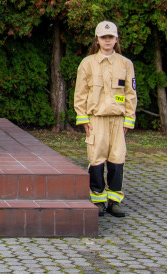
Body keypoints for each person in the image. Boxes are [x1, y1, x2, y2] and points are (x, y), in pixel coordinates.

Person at [73, 20, 136, 217]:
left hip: (117, 120)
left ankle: (114, 201)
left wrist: (128, 119)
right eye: (103, 37)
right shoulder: (88, 63)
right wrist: (83, 120)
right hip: (96, 120)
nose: (107, 41)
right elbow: (80, 93)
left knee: (117, 160)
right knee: (96, 159)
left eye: (111, 37)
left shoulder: (126, 64)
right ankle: (98, 199)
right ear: (97, 40)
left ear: (116, 39)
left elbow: (130, 93)